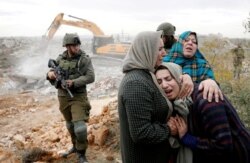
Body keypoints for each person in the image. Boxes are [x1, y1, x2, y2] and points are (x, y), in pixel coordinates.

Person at [118, 31, 223, 163]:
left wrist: (198, 79)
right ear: (147, 51)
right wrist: (169, 129)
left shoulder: (146, 75)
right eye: (160, 49)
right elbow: (141, 132)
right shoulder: (136, 83)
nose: (164, 53)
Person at [155, 62, 250, 163]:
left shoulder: (206, 98)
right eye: (159, 82)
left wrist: (187, 138)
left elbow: (223, 146)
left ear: (180, 80)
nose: (164, 85)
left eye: (168, 79)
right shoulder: (179, 103)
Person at [46, 33, 95, 163]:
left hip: (78, 96)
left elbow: (90, 77)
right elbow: (50, 72)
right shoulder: (60, 59)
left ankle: (81, 153)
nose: (77, 47)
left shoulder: (84, 59)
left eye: (78, 44)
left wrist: (74, 82)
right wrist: (50, 74)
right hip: (63, 96)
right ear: (67, 46)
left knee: (80, 128)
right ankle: (75, 146)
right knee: (70, 125)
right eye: (74, 45)